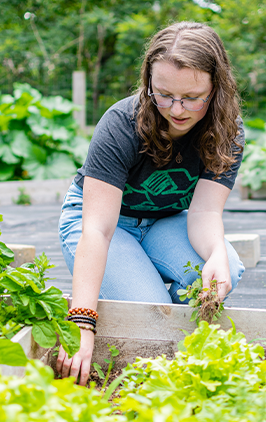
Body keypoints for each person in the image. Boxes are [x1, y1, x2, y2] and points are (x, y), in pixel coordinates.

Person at [56, 21, 245, 385]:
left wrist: (218, 254)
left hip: (164, 220)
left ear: (216, 88)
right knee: (148, 313)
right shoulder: (121, 123)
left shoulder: (228, 131)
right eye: (163, 94)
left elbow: (204, 212)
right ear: (148, 82)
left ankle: (138, 276)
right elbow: (98, 229)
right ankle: (127, 282)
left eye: (191, 97)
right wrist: (82, 321)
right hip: (104, 223)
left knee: (228, 270)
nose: (176, 109)